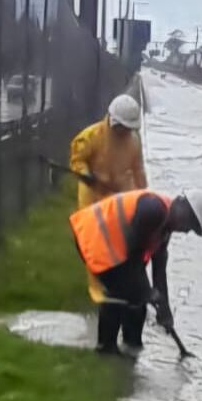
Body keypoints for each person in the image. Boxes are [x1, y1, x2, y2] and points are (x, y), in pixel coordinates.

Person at [68, 188, 202, 356]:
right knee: (120, 292)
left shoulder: (166, 227)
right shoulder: (153, 210)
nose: (187, 230)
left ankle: (132, 346)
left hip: (117, 249)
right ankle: (106, 349)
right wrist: (147, 293)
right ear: (180, 203)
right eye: (189, 222)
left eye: (193, 228)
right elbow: (132, 258)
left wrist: (165, 310)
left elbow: (159, 272)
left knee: (136, 296)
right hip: (95, 238)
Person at [70, 94, 148, 301]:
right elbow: (78, 159)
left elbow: (138, 170)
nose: (123, 132)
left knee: (119, 238)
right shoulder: (91, 136)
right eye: (121, 128)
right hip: (92, 190)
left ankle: (116, 281)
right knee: (93, 238)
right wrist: (86, 174)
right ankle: (96, 286)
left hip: (117, 192)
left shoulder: (134, 141)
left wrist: (144, 194)